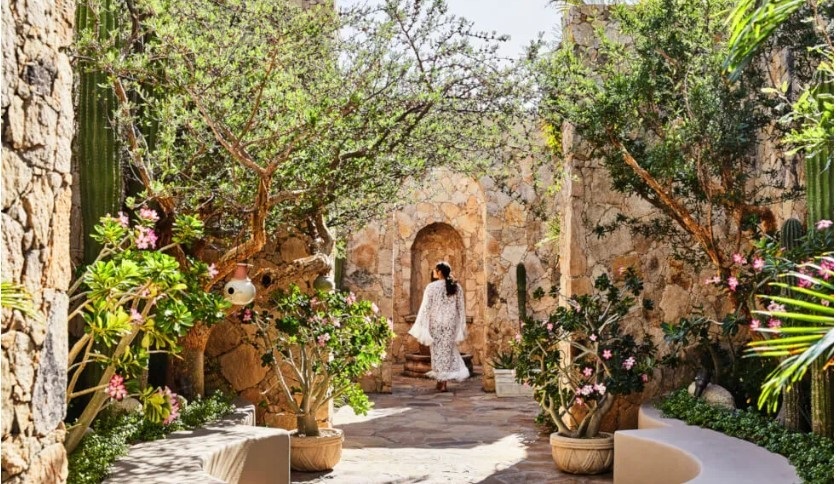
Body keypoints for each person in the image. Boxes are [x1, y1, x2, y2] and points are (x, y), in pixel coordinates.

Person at [408, 261, 470, 392]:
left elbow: (426, 307)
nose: (433, 272)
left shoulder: (431, 287)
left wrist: (422, 324)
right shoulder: (457, 287)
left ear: (440, 272)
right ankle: (441, 381)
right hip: (450, 324)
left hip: (435, 324)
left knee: (437, 352)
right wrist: (460, 325)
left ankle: (442, 382)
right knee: (446, 352)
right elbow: (461, 308)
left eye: (435, 270)